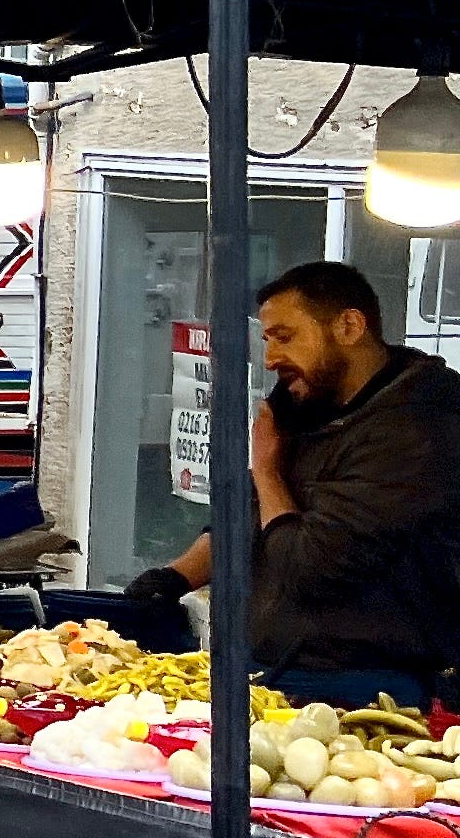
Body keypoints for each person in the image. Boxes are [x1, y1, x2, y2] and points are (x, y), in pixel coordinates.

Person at [130, 262, 460, 707]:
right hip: (273, 671)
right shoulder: (309, 406)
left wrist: (267, 471)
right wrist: (172, 579)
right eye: (267, 340)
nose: (270, 359)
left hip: (368, 688)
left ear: (349, 326)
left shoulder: (417, 430)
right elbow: (254, 518)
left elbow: (309, 568)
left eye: (284, 337)